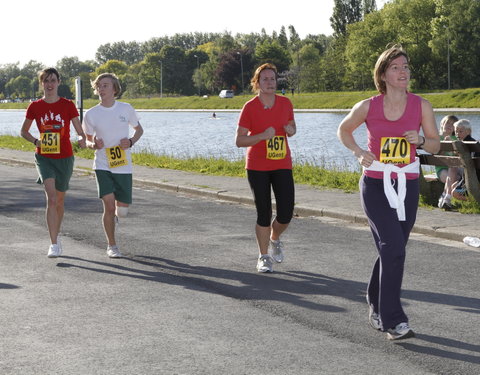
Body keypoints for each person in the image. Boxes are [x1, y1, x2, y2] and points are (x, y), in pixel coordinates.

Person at [337, 45, 440, 340]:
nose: (403, 71)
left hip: (407, 184)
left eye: (406, 66)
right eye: (396, 67)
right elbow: (344, 130)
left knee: (392, 249)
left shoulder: (422, 106)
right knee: (393, 248)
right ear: (383, 74)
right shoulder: (368, 106)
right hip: (376, 185)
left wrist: (420, 139)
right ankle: (394, 321)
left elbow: (434, 144)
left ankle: (374, 302)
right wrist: (358, 152)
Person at [235, 63, 296, 273]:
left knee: (286, 212)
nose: (270, 82)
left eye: (272, 78)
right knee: (264, 212)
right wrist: (262, 136)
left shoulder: (286, 103)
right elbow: (239, 140)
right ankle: (263, 256)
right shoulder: (250, 107)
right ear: (257, 83)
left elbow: (292, 126)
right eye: (265, 79)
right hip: (257, 166)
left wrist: (291, 130)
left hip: (282, 163)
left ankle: (275, 237)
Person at [20, 67, 86, 258]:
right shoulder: (35, 106)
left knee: (60, 200)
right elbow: (23, 131)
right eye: (46, 81)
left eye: (53, 80)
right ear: (42, 83)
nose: (49, 84)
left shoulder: (67, 105)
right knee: (51, 197)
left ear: (58, 83)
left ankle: (57, 234)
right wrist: (36, 141)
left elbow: (78, 128)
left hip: (64, 156)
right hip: (44, 156)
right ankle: (54, 243)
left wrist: (83, 138)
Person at [82, 73, 144, 258]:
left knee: (122, 211)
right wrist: (94, 145)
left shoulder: (126, 109)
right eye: (99, 86)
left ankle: (117, 215)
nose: (101, 89)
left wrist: (131, 142)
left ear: (114, 89)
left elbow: (139, 130)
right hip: (102, 164)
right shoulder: (91, 114)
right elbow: (87, 140)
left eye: (105, 85)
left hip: (123, 165)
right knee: (108, 207)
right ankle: (112, 245)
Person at [436, 115, 462, 209]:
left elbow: (460, 156)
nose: (449, 125)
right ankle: (446, 198)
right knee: (453, 172)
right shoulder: (436, 138)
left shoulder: (457, 139)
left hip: (456, 169)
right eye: (447, 123)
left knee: (454, 168)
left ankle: (445, 197)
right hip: (442, 170)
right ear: (442, 124)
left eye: (452, 124)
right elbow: (436, 155)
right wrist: (445, 145)